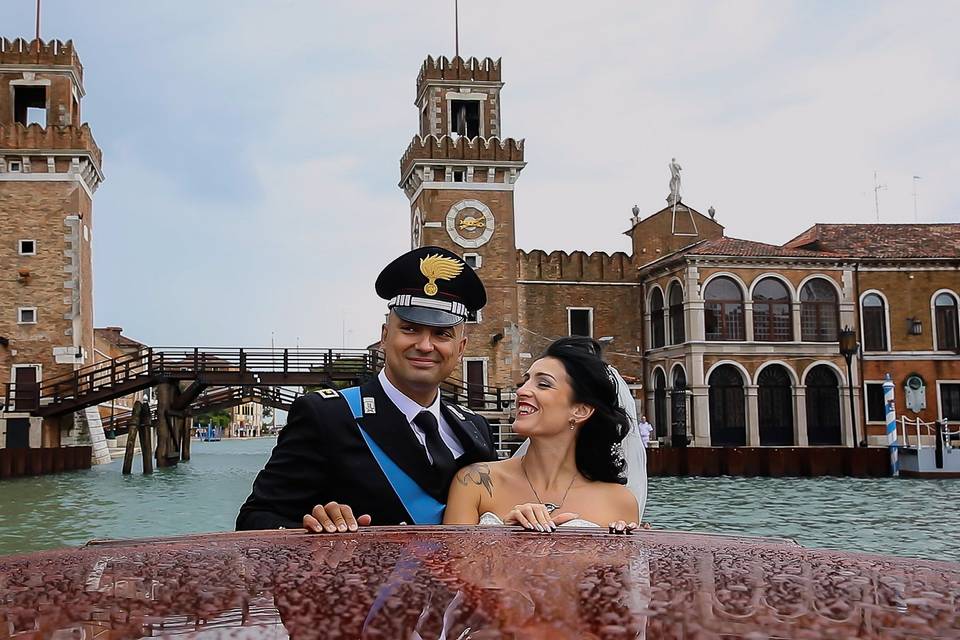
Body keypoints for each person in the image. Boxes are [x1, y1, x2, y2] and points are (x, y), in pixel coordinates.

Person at [236, 246, 498, 532]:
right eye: (410, 328)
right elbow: (255, 520)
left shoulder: (474, 428)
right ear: (385, 337)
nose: (425, 345)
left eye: (441, 334)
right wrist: (313, 528)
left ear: (460, 348)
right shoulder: (327, 417)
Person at [443, 337, 640, 531]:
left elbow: (622, 564)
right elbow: (452, 563)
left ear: (580, 411)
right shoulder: (473, 482)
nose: (521, 391)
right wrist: (507, 536)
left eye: (543, 384)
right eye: (525, 381)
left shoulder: (620, 502)